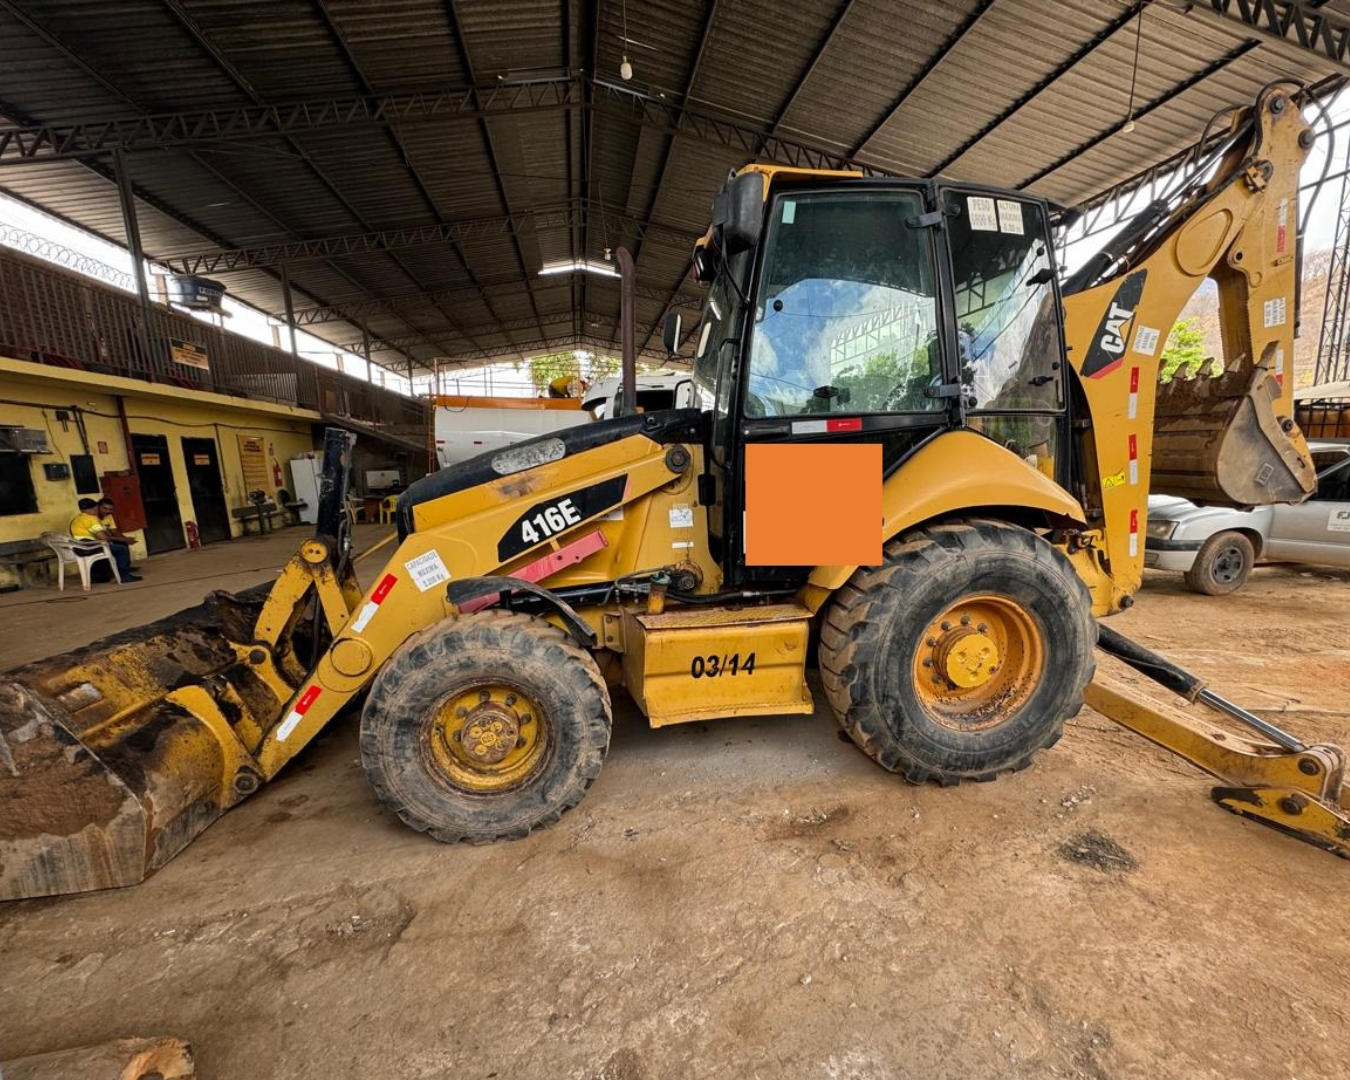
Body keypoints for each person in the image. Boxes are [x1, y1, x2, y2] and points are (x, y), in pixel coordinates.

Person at [70, 497, 140, 583]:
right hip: (89, 547)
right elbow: (103, 538)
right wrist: (123, 540)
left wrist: (122, 539)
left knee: (116, 545)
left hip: (80, 547)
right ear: (95, 507)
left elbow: (110, 533)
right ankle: (124, 575)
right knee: (122, 549)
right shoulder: (91, 518)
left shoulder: (78, 518)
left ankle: (101, 576)